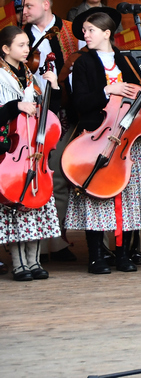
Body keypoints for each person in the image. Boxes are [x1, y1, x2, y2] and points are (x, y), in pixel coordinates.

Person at [65, 7, 141, 274]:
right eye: (85, 31)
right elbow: (79, 104)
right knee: (95, 195)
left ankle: (123, 253)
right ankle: (96, 256)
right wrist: (108, 89)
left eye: (90, 30)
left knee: (128, 199)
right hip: (98, 138)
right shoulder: (83, 63)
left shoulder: (127, 61)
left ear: (107, 33)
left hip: (127, 142)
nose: (85, 35)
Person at [21, 0, 80, 262]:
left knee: (56, 176)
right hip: (30, 113)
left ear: (46, 5)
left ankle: (56, 240)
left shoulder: (73, 29)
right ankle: (34, 245)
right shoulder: (19, 36)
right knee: (32, 174)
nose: (24, 11)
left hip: (65, 110)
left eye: (28, 6)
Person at [0, 25, 62, 280]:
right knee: (13, 205)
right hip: (9, 149)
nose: (28, 50)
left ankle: (34, 262)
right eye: (22, 45)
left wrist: (54, 86)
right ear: (5, 49)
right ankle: (18, 263)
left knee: (35, 202)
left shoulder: (29, 74)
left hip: (33, 149)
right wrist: (16, 105)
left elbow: (50, 112)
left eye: (27, 44)